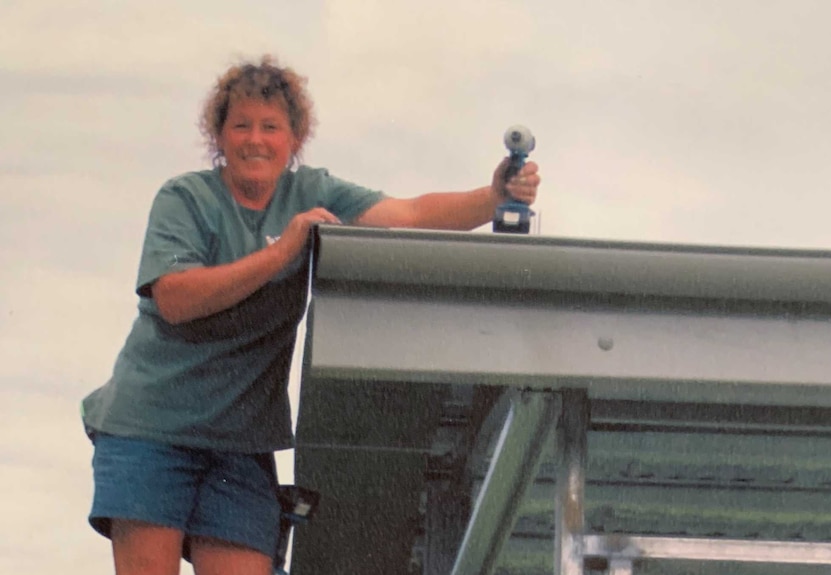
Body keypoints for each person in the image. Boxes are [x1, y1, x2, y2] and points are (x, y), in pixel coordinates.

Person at [80, 54, 540, 575]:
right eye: (242, 126)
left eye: (271, 127)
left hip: (238, 442)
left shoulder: (314, 191)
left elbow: (409, 214)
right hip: (151, 427)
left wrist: (495, 194)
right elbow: (176, 298)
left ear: (294, 139)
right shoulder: (186, 197)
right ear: (219, 136)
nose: (255, 139)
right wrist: (281, 252)